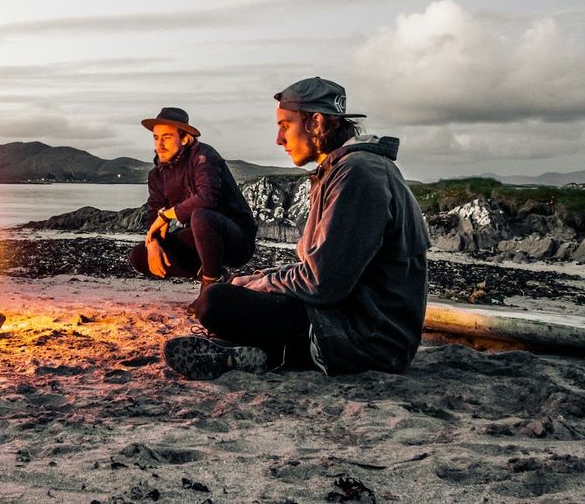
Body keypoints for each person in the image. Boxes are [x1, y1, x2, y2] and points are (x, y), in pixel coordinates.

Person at [163, 77, 429, 380]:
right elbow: (324, 267)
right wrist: (259, 278)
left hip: (369, 339)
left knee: (216, 302)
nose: (279, 139)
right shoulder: (346, 170)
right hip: (349, 320)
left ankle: (265, 349)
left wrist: (260, 286)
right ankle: (257, 353)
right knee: (231, 293)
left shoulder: (358, 174)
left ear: (315, 122)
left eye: (285, 125)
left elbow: (322, 283)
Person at [129, 107, 257, 288]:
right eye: (156, 138)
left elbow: (208, 197)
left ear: (184, 138)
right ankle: (218, 276)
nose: (160, 144)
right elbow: (153, 215)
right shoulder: (156, 175)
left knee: (201, 216)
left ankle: (211, 286)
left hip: (235, 238)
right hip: (201, 239)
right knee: (139, 255)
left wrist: (166, 215)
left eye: (166, 137)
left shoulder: (203, 156)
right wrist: (153, 243)